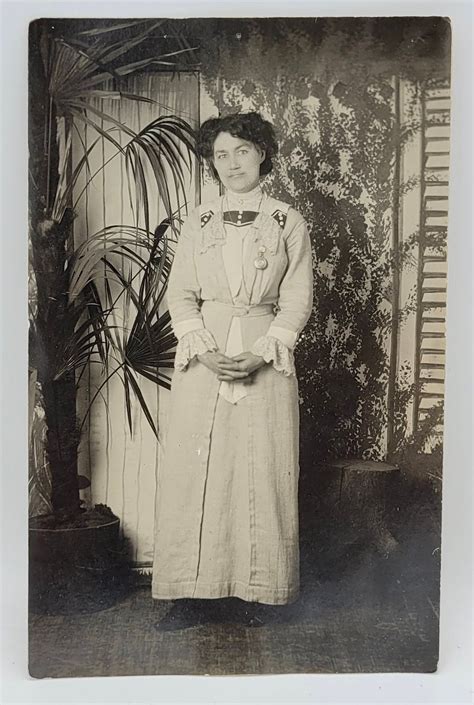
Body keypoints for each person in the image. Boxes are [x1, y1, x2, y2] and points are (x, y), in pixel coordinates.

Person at [152, 111, 313, 629]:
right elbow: (179, 293)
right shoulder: (197, 220)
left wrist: (264, 350)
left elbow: (297, 299)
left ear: (262, 153)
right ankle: (188, 594)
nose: (231, 163)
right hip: (205, 356)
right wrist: (201, 347)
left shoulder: (289, 221)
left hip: (264, 354)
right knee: (193, 469)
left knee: (260, 468)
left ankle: (257, 594)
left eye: (241, 151)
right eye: (220, 154)